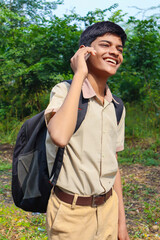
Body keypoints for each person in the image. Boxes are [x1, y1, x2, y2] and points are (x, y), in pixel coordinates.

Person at [45, 21, 130, 240]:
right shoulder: (64, 91)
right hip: (71, 215)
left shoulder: (117, 106)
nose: (114, 52)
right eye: (105, 45)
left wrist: (121, 223)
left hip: (109, 210)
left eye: (119, 49)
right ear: (85, 51)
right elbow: (60, 136)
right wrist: (79, 75)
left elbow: (114, 166)